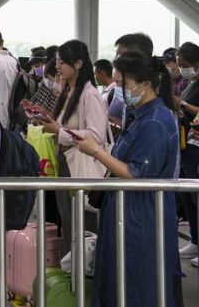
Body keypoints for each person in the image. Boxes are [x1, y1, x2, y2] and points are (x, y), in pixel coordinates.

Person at [75, 52, 178, 307]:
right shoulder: (140, 115)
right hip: (126, 211)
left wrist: (96, 151)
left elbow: (136, 174)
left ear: (145, 84)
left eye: (125, 84)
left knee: (137, 285)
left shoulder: (155, 122)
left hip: (140, 216)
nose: (121, 90)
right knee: (118, 280)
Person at [36, 40, 110, 250]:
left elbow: (95, 136)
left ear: (77, 64)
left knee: (80, 223)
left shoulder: (89, 95)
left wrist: (60, 131)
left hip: (79, 164)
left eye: (61, 62)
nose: (57, 67)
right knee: (68, 221)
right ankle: (72, 270)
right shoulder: (69, 91)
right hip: (66, 161)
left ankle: (83, 274)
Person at [175, 41, 199, 267]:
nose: (182, 68)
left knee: (197, 195)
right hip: (187, 145)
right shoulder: (191, 82)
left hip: (197, 146)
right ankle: (195, 238)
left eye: (185, 64)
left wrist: (180, 102)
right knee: (189, 196)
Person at [108, 33, 154, 128]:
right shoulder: (127, 94)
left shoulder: (155, 119)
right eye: (117, 54)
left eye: (122, 55)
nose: (117, 59)